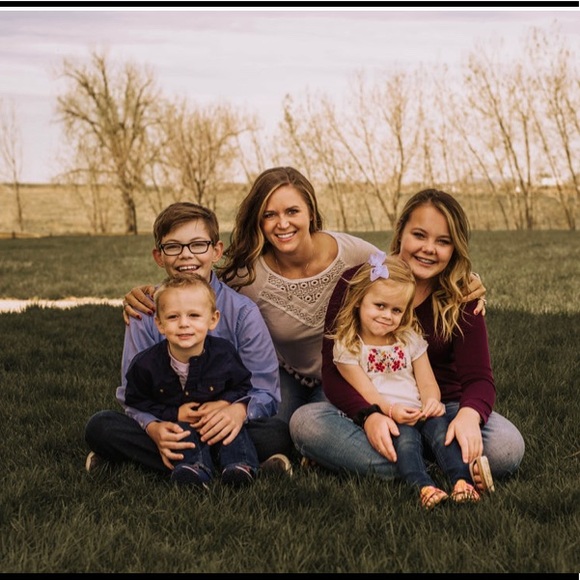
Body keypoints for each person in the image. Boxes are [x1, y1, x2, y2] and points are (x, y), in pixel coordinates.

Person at [290, 189, 525, 490]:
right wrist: (370, 416)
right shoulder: (359, 282)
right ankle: (444, 465)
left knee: (506, 448)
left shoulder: (462, 295)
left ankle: (408, 462)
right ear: (400, 232)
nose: (429, 249)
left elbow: (479, 378)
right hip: (372, 402)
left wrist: (468, 417)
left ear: (455, 248)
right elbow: (334, 371)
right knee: (306, 422)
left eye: (443, 241)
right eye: (419, 235)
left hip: (440, 408)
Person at [85, 202, 292, 480]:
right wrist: (153, 428)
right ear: (159, 256)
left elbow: (265, 391)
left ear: (216, 251)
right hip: (171, 423)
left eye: (198, 244)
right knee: (101, 427)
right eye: (173, 246)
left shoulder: (242, 312)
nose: (186, 255)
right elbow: (132, 394)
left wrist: (238, 411)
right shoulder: (145, 312)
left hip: (226, 424)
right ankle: (235, 461)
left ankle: (157, 460)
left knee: (277, 433)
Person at [330, 251, 493, 508]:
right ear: (359, 301)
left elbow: (426, 381)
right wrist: (390, 411)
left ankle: (462, 483)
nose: (387, 315)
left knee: (443, 434)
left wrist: (432, 402)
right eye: (380, 306)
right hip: (388, 415)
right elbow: (366, 392)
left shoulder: (408, 338)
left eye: (396, 310)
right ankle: (424, 486)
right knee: (405, 442)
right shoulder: (348, 346)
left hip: (419, 410)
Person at [124, 274, 259, 488]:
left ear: (213, 319)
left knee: (267, 431)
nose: (184, 324)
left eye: (194, 315)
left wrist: (224, 404)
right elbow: (136, 400)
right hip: (176, 429)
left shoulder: (224, 354)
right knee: (101, 426)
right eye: (173, 317)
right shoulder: (145, 364)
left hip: (217, 423)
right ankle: (194, 469)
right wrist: (173, 414)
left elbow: (242, 386)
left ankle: (239, 466)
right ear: (159, 323)